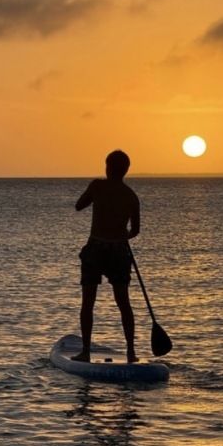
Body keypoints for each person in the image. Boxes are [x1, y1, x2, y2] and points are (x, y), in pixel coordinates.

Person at [72, 150, 141, 363]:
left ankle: (85, 351)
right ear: (126, 170)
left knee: (88, 302)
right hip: (119, 251)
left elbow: (79, 206)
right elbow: (135, 230)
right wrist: (122, 236)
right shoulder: (131, 196)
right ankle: (131, 352)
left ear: (107, 167)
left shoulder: (97, 186)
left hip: (96, 249)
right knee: (124, 303)